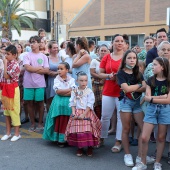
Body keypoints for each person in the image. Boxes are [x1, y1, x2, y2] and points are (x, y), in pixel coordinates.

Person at [117, 50, 154, 167]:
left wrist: (132, 87)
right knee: (126, 129)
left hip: (137, 102)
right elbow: (126, 89)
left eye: (134, 58)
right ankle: (127, 154)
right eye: (129, 58)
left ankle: (140, 155)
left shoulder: (138, 72)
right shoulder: (121, 73)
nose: (132, 60)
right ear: (125, 60)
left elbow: (145, 87)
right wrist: (138, 86)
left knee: (143, 128)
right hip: (125, 102)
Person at [132, 57, 170, 170]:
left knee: (161, 138)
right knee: (144, 137)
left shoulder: (169, 81)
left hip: (165, 110)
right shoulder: (150, 80)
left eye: (154, 65)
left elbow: (168, 101)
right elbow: (147, 98)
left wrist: (153, 98)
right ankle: (142, 162)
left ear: (162, 67)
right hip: (151, 110)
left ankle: (157, 163)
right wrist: (161, 97)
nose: (152, 67)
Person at [65, 72, 101, 157]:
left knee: (88, 130)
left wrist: (84, 114)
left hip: (87, 113)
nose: (83, 82)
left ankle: (90, 147)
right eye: (81, 80)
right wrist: (73, 113)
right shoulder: (74, 91)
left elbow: (90, 104)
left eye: (85, 80)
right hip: (77, 112)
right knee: (78, 131)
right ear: (77, 81)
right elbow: (72, 102)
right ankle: (80, 147)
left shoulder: (89, 91)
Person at [99, 34, 124, 152]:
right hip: (108, 91)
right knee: (105, 117)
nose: (119, 43)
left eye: (121, 41)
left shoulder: (126, 57)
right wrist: (109, 76)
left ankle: (119, 141)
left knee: (120, 118)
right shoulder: (106, 57)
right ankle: (102, 137)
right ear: (112, 43)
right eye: (117, 41)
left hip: (122, 92)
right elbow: (100, 74)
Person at [43, 62, 75, 146]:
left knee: (68, 120)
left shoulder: (72, 79)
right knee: (59, 119)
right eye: (58, 69)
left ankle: (68, 138)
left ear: (67, 70)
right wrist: (69, 90)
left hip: (69, 103)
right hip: (58, 102)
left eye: (61, 69)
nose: (59, 71)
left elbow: (74, 91)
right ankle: (60, 139)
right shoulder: (56, 79)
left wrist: (63, 92)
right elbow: (58, 91)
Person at [23, 36, 49, 132]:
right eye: (31, 42)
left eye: (34, 42)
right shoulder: (27, 55)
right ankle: (32, 123)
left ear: (39, 43)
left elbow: (46, 70)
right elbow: (27, 68)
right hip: (28, 83)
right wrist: (39, 69)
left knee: (40, 103)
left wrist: (33, 68)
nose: (32, 44)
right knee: (29, 103)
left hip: (40, 84)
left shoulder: (44, 56)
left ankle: (40, 123)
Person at [0, 45, 21, 141]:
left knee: (14, 111)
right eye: (5, 54)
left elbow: (6, 76)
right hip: (4, 88)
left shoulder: (15, 65)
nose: (6, 56)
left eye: (8, 54)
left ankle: (17, 133)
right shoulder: (7, 63)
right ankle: (8, 132)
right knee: (6, 111)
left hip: (12, 89)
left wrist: (4, 64)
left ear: (14, 55)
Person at [90, 44, 108, 119]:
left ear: (108, 52)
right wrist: (101, 78)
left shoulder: (109, 60)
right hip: (96, 84)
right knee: (97, 103)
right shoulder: (94, 61)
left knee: (106, 103)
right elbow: (92, 72)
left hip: (107, 83)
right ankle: (97, 121)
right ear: (98, 52)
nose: (103, 52)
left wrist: (104, 79)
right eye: (102, 51)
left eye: (105, 51)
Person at [45, 41, 62, 112]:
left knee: (59, 100)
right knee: (49, 101)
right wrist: (59, 72)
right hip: (50, 81)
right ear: (50, 49)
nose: (56, 49)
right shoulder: (47, 58)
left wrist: (54, 73)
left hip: (60, 81)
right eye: (54, 48)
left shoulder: (61, 58)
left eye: (57, 47)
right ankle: (50, 117)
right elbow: (47, 72)